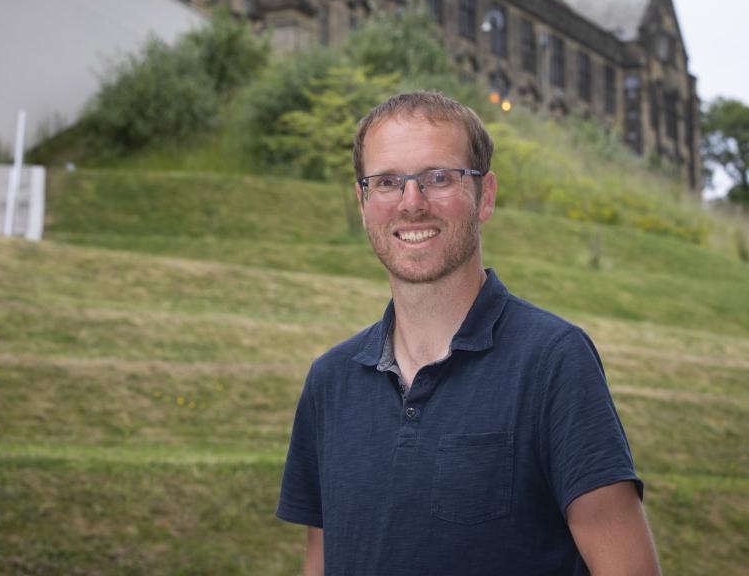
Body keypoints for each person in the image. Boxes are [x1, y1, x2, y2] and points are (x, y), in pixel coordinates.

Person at [276, 91, 660, 575]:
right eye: (389, 182)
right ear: (363, 200)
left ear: (486, 196)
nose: (411, 203)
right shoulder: (329, 382)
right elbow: (321, 564)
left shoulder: (552, 361)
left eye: (439, 178)